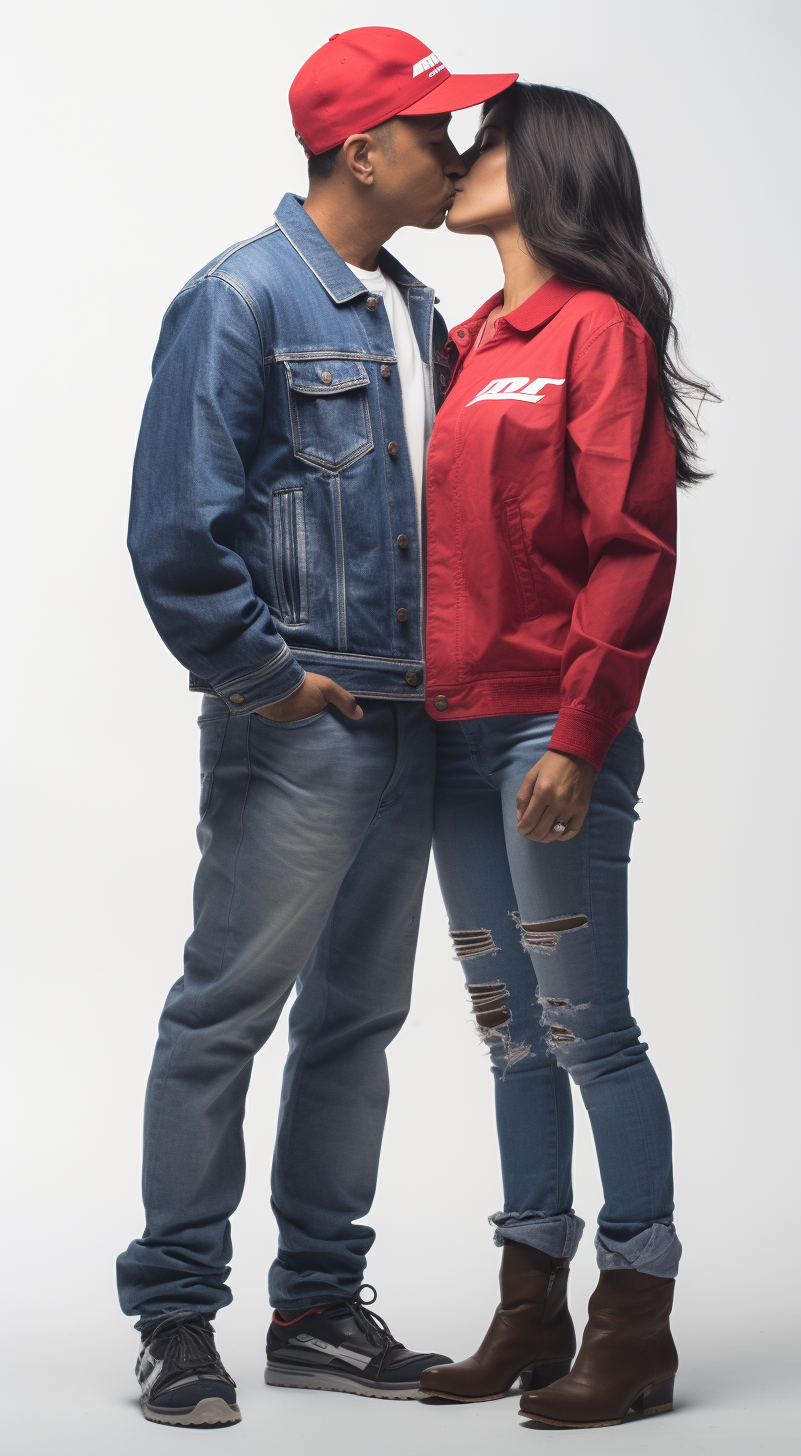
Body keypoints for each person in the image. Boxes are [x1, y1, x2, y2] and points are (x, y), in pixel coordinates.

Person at [119, 28, 517, 1427]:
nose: (456, 154)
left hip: (419, 716)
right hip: (302, 722)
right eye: (434, 132)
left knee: (359, 1020)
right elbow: (176, 529)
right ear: (364, 148)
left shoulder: (416, 311)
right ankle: (174, 1311)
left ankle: (318, 1307)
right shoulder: (238, 298)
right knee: (227, 1010)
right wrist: (269, 680)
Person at [417, 84, 715, 1428]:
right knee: (509, 1038)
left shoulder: (594, 330)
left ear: (546, 167)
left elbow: (634, 544)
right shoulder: (464, 337)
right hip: (452, 737)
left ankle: (635, 1320)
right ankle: (527, 1308)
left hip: (551, 731)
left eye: (486, 144)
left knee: (590, 1029)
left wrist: (585, 734)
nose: (462, 162)